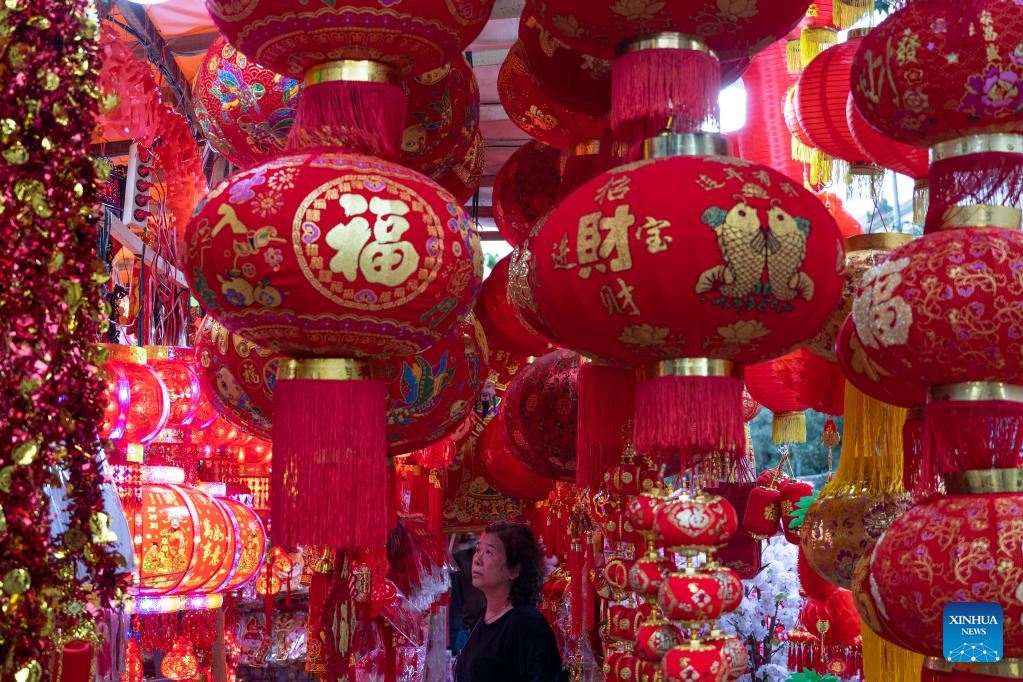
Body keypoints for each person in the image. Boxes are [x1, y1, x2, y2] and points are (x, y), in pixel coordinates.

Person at [454, 521, 566, 682]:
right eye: (478, 550)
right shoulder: (481, 617)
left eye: (489, 552)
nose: (477, 559)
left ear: (514, 570)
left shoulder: (527, 624)